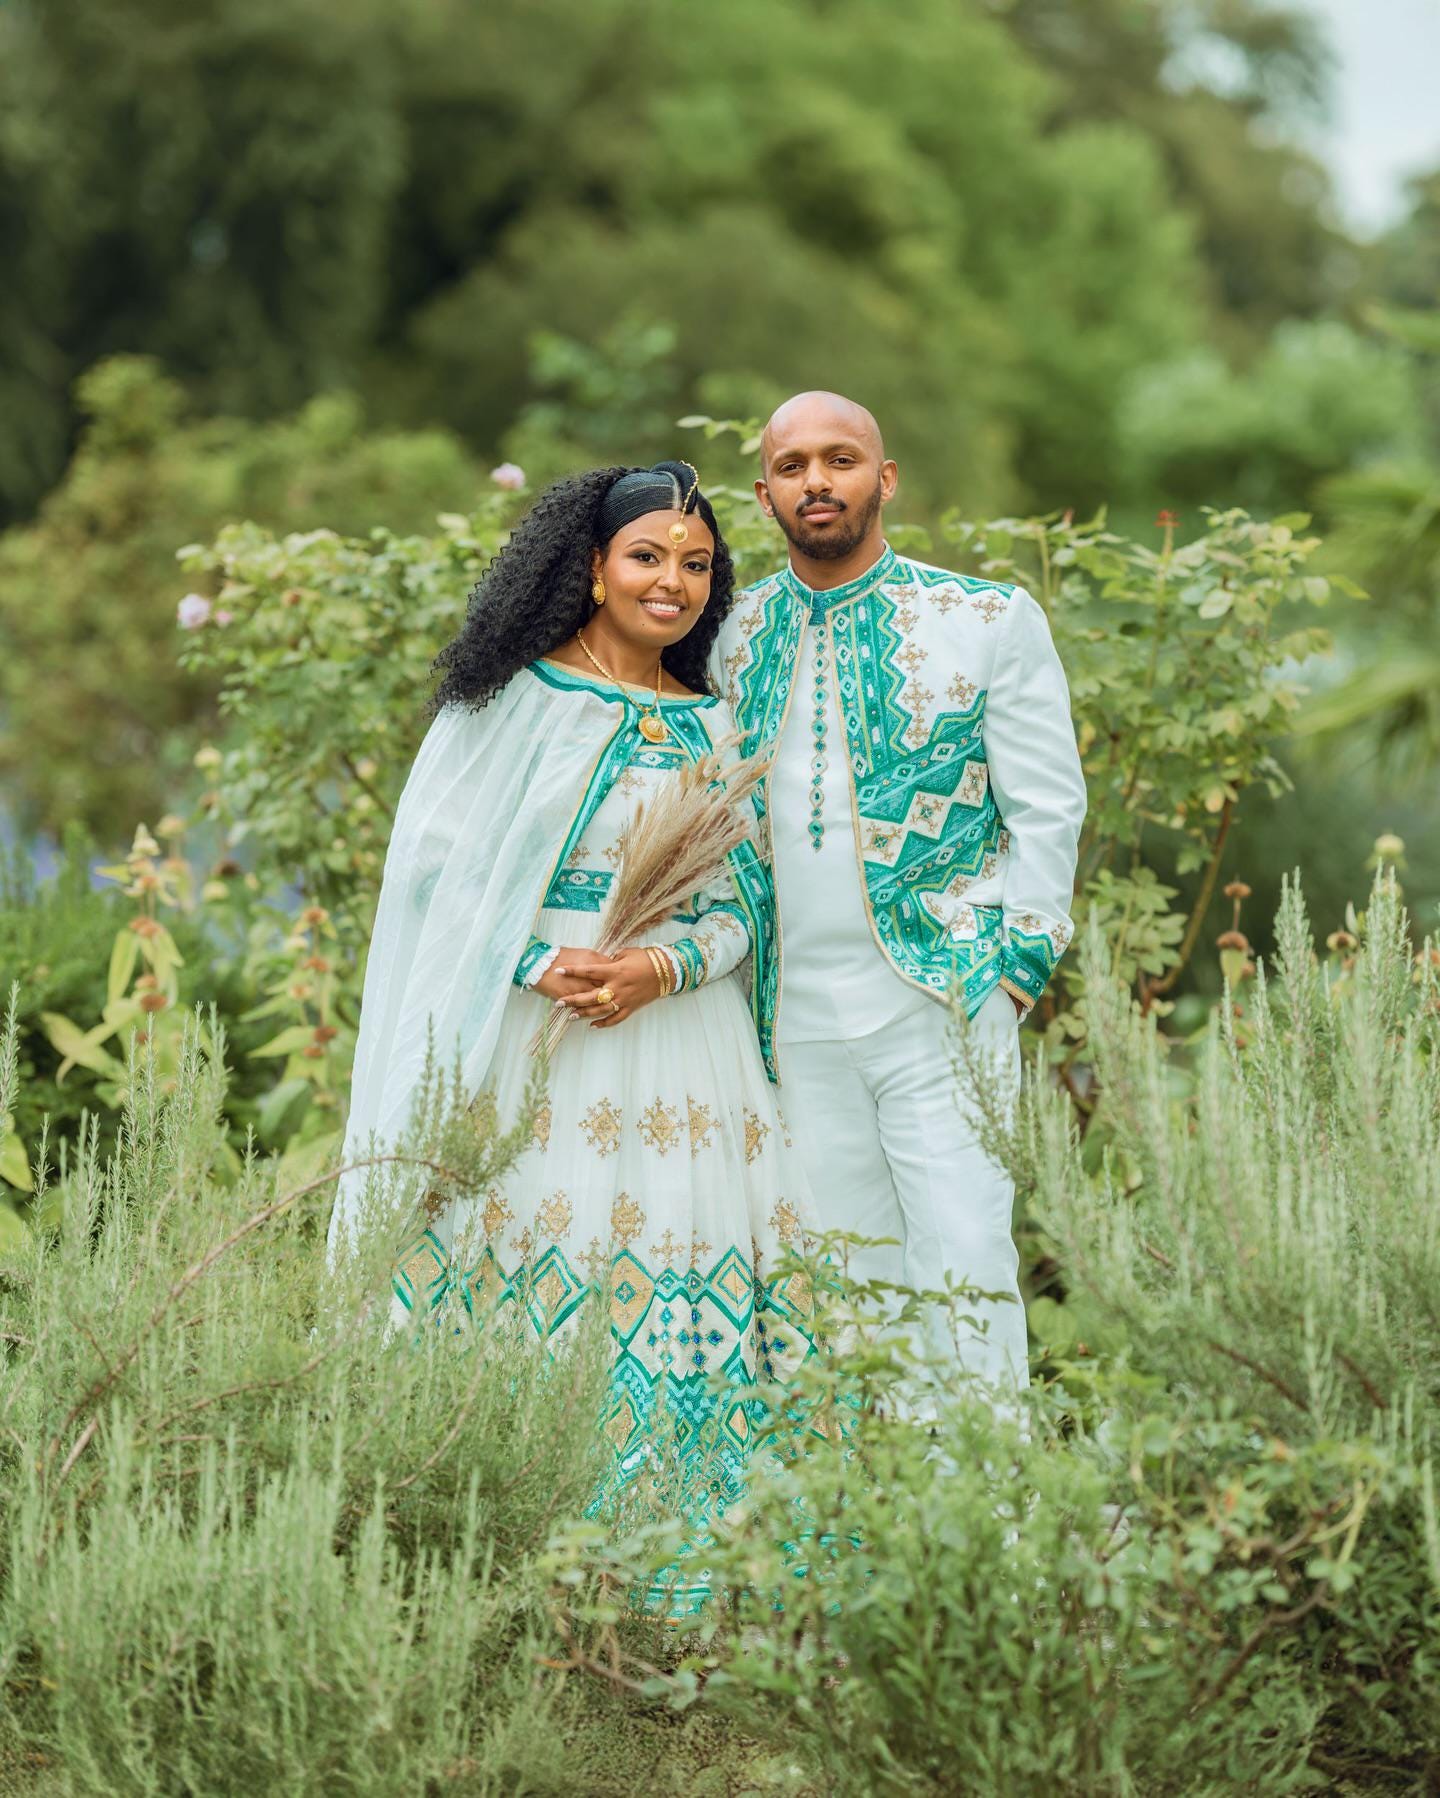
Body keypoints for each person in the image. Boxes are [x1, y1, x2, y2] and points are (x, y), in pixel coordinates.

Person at [329, 460, 816, 1619]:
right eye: (648, 555)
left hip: (683, 1056)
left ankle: (678, 1573)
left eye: (698, 565)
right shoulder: (508, 709)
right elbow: (436, 882)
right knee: (530, 1275)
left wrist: (659, 964)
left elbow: (751, 906)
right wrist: (541, 960)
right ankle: (498, 1563)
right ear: (591, 565)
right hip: (527, 1052)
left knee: (676, 1279)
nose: (674, 582)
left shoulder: (715, 720)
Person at [711, 393, 1086, 1396]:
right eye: (792, 465)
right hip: (787, 1010)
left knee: (965, 1254)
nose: (817, 481)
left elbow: (1048, 807)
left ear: (886, 479)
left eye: (841, 458)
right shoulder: (727, 639)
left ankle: (995, 1521)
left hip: (944, 993)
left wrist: (1015, 969)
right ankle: (877, 1524)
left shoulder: (986, 620)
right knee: (840, 1271)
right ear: (764, 494)